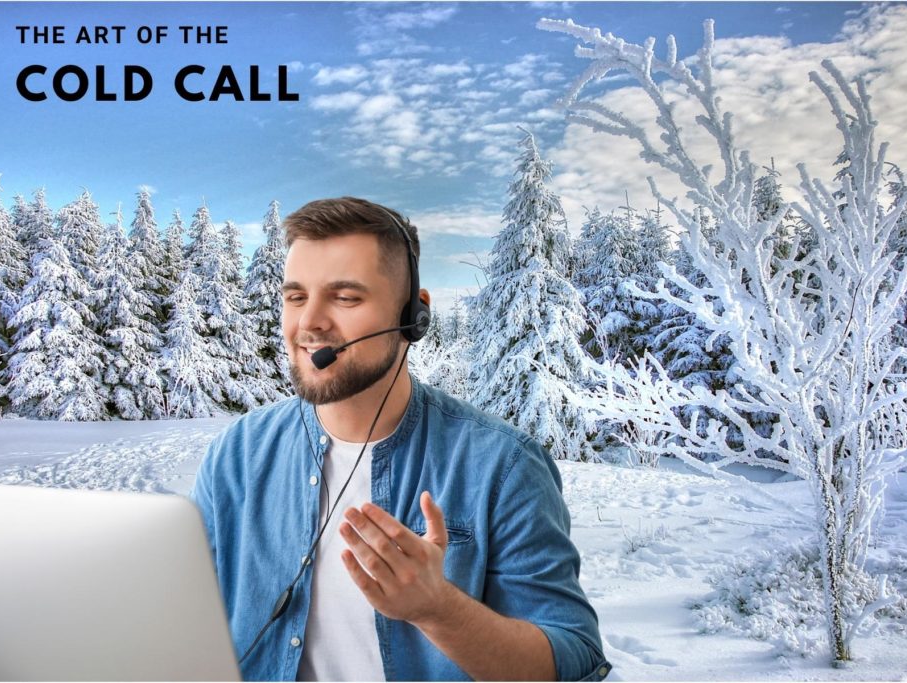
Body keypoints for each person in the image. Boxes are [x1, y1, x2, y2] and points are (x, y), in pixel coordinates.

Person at [190, 197, 611, 681]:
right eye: (295, 297)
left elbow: (576, 660)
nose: (309, 323)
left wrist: (439, 610)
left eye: (345, 298)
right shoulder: (237, 454)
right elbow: (183, 622)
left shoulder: (503, 466)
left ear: (414, 316)